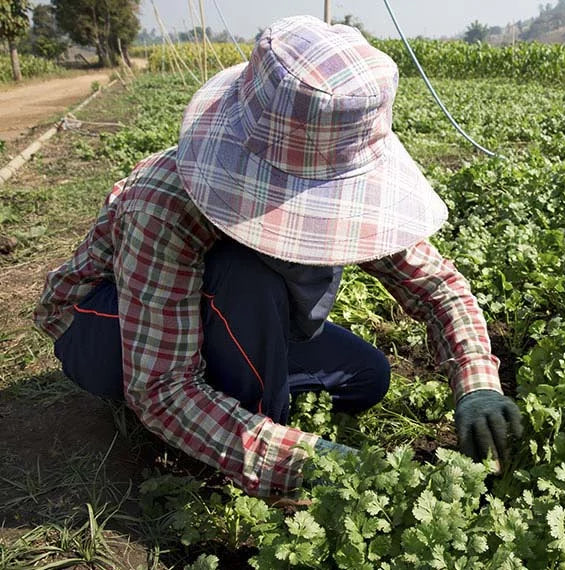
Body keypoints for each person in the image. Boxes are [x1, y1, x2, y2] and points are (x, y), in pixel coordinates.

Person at [32, 16, 522, 497]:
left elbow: (436, 287)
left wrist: (477, 382)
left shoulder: (340, 159)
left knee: (367, 377)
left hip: (225, 312)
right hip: (103, 323)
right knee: (248, 276)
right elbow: (161, 387)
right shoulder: (164, 202)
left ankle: (232, 393)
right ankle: (242, 428)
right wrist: (299, 460)